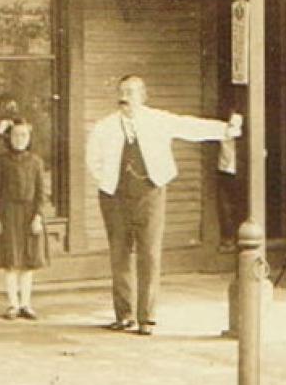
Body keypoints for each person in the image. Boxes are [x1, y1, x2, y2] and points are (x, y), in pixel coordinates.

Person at [86, 74, 242, 336]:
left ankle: (146, 317)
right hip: (115, 198)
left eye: (132, 92)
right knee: (119, 255)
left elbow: (190, 127)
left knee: (149, 254)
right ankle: (124, 316)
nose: (126, 97)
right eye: (122, 91)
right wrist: (107, 182)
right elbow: (93, 159)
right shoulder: (105, 126)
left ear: (143, 97)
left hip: (150, 194)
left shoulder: (157, 120)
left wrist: (223, 130)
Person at [0, 118, 50, 320]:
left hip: (29, 214)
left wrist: (38, 216)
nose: (19, 139)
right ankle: (12, 304)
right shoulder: (2, 161)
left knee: (28, 262)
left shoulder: (36, 162)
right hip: (9, 214)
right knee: (11, 261)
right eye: (15, 135)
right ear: (9, 138)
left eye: (24, 135)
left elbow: (41, 193)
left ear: (29, 138)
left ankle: (26, 304)